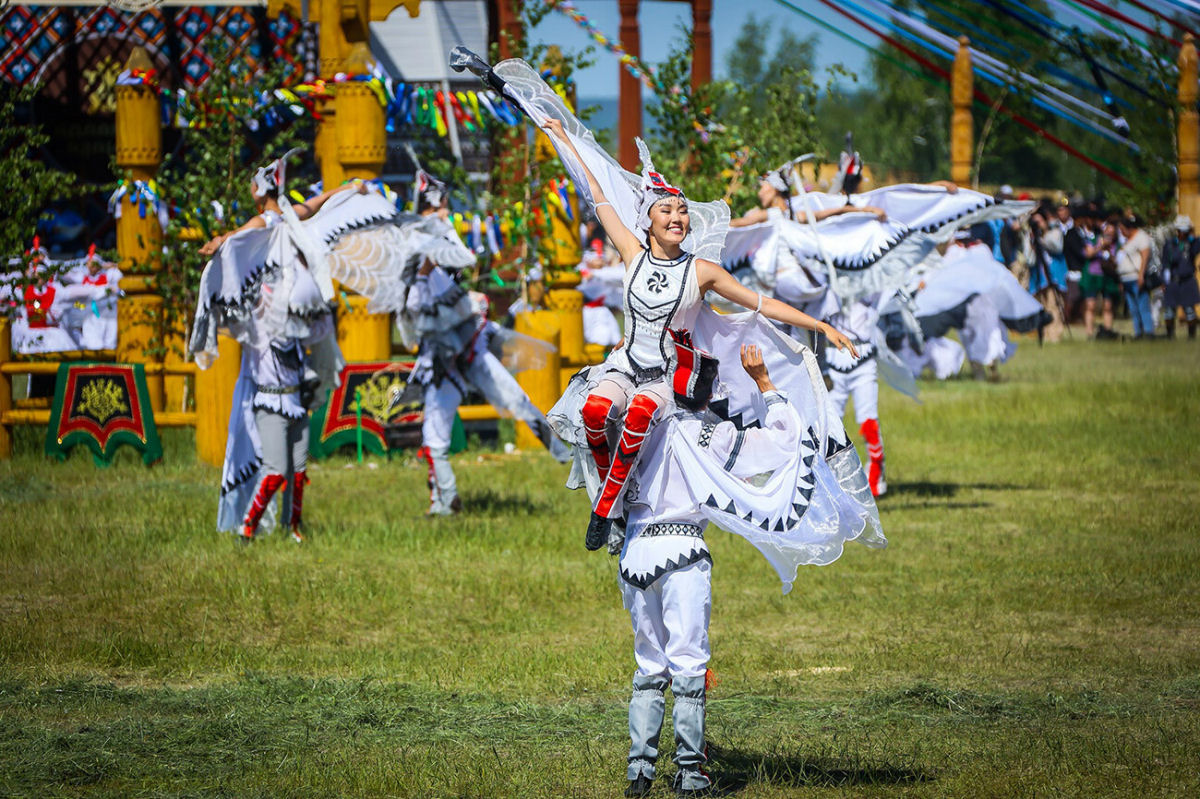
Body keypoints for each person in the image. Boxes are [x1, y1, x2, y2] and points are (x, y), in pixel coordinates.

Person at [617, 332, 886, 796]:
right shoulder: (710, 434)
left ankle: (640, 772)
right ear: (703, 393)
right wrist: (765, 384)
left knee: (648, 665)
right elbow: (784, 442)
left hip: (634, 556)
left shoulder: (640, 431)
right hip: (682, 554)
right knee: (688, 663)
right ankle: (690, 773)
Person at [190, 152, 377, 542]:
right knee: (277, 467)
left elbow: (242, 235)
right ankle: (250, 527)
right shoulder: (287, 218)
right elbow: (311, 205)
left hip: (291, 329)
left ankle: (294, 529)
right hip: (273, 346)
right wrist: (349, 187)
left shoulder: (279, 218)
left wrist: (221, 241)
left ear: (259, 193)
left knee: (298, 467)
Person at [378, 165, 570, 516]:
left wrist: (468, 300)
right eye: (439, 208)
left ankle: (567, 454)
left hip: (470, 347)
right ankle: (444, 500)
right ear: (426, 211)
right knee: (434, 431)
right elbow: (417, 310)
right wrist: (436, 285)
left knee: (513, 398)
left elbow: (452, 285)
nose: (446, 213)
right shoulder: (415, 260)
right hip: (442, 360)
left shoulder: (441, 247)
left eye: (445, 208)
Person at [1078, 211, 1121, 339]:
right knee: (1090, 305)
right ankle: (1089, 333)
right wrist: (1100, 247)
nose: (1109, 235)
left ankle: (1108, 331)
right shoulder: (1093, 239)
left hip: (1108, 277)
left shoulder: (1117, 245)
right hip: (1093, 275)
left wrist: (1110, 254)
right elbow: (1088, 254)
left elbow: (1119, 260)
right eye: (1107, 232)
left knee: (1108, 306)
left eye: (1112, 233)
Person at [1161, 214, 1200, 340]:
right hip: (1173, 280)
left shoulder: (1193, 243)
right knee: (1169, 311)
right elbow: (1165, 263)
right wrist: (1164, 281)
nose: (1183, 234)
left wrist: (1192, 235)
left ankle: (1191, 336)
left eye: (1186, 231)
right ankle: (1170, 335)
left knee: (1189, 310)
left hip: (1187, 280)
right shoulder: (1170, 244)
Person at [1116, 214, 1155, 339]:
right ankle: (1138, 332)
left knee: (1143, 305)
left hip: (1136, 276)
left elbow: (1145, 256)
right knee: (1133, 308)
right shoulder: (1127, 241)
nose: (1121, 232)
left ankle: (1148, 332)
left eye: (1121, 229)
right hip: (1126, 278)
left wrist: (1141, 275)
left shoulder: (1141, 237)